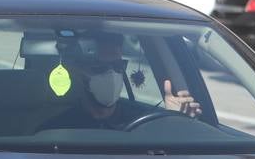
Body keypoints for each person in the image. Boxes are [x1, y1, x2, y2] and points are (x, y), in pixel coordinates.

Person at [39, 33, 202, 131]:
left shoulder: (144, 122)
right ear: (76, 71)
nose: (111, 74)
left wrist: (173, 119)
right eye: (98, 68)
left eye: (117, 66)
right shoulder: (57, 129)